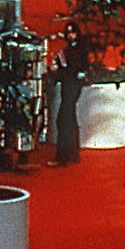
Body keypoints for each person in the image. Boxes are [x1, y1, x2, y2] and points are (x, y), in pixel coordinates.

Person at [47, 21, 89, 166]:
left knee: (64, 120)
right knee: (68, 119)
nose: (70, 36)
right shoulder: (68, 50)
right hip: (69, 86)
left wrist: (59, 70)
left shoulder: (80, 50)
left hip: (72, 86)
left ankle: (64, 156)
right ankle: (71, 154)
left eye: (73, 32)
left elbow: (75, 69)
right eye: (68, 33)